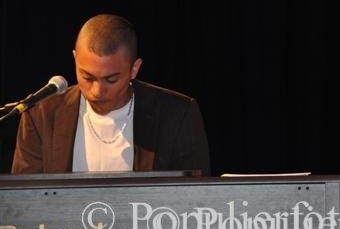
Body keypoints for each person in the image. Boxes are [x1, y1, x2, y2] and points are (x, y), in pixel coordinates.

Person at [11, 13, 211, 175]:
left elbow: (195, 199)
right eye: (87, 77)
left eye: (111, 80)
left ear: (134, 68)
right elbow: (26, 200)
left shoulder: (177, 115)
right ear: (75, 59)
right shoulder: (41, 115)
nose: (97, 91)